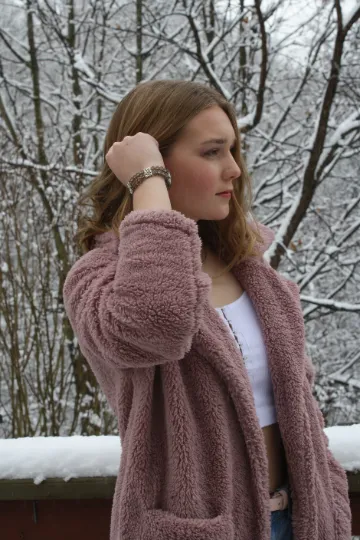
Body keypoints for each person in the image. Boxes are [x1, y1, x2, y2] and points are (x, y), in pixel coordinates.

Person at [62, 79, 352, 540]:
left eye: (233, 150)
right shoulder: (99, 279)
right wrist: (148, 187)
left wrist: (329, 497)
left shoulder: (253, 271)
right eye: (212, 152)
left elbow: (302, 403)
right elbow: (157, 322)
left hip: (298, 521)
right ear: (157, 166)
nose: (234, 169)